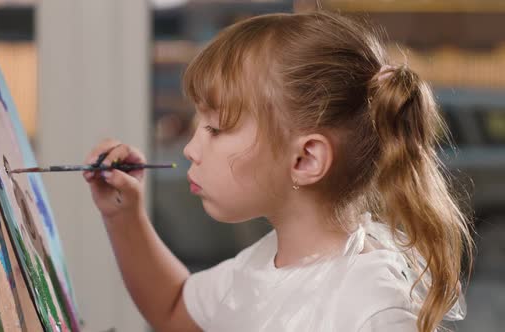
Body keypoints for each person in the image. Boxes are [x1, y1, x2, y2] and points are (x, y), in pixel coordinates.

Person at [82, 11, 474, 332]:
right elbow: (172, 308)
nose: (190, 148)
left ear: (305, 160)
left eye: (216, 129)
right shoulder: (265, 262)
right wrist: (124, 214)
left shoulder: (371, 311)